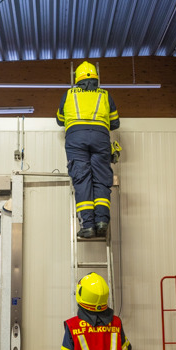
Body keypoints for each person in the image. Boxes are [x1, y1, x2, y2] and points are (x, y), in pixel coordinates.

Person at [56, 60, 120, 239]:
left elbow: (60, 120)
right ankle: (102, 222)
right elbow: (115, 123)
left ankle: (88, 226)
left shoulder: (69, 94)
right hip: (100, 138)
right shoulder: (105, 95)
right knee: (101, 180)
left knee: (82, 180)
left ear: (77, 78)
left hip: (76, 139)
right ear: (96, 78)